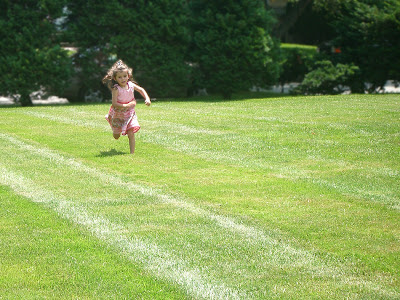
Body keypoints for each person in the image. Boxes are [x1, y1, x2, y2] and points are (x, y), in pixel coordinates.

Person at [102, 60, 151, 154]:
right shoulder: (116, 89)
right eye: (119, 77)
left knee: (131, 133)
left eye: (125, 76)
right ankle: (112, 125)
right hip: (118, 114)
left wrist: (147, 99)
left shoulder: (131, 85)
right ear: (115, 79)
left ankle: (132, 153)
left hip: (129, 113)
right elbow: (114, 104)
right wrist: (126, 105)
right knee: (116, 136)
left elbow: (141, 90)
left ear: (128, 76)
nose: (123, 79)